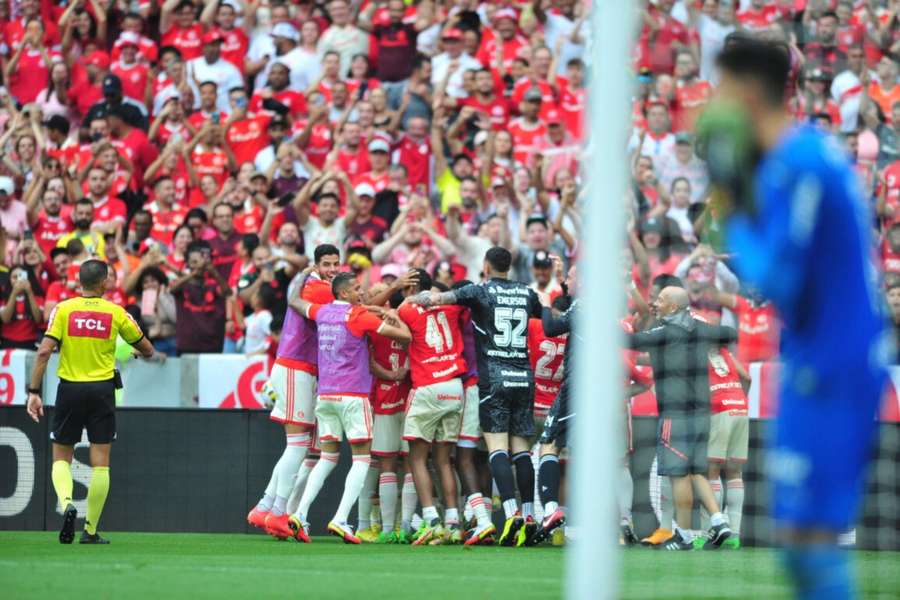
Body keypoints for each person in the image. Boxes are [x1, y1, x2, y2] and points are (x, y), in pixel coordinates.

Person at [699, 38, 888, 597]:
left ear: (750, 92)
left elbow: (781, 279)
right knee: (801, 544)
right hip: (818, 361)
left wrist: (733, 210)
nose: (714, 100)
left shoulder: (799, 163)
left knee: (809, 541)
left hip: (834, 368)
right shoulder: (798, 155)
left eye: (723, 87)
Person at [408, 246, 543, 546]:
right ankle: (530, 515)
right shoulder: (528, 293)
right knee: (520, 450)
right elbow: (544, 318)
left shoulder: (479, 291)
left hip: (494, 377)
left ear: (485, 265)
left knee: (497, 448)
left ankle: (511, 516)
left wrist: (412, 297)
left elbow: (435, 298)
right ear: (510, 266)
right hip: (524, 376)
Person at [25, 260, 155, 544]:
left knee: (61, 457)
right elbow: (148, 349)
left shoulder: (63, 309)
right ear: (105, 283)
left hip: (69, 389)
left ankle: (68, 503)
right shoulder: (116, 312)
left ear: (79, 281)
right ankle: (91, 530)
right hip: (102, 392)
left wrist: (33, 391)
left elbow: (45, 352)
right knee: (101, 464)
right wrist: (134, 352)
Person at [287, 272, 412, 544]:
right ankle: (341, 519)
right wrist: (390, 315)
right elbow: (405, 336)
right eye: (356, 289)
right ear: (343, 293)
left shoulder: (322, 313)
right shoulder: (358, 316)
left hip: (326, 396)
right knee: (362, 460)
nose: (361, 292)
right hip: (353, 396)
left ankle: (299, 513)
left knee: (327, 458)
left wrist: (303, 275)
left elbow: (294, 301)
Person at [624, 286, 735, 551]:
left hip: (675, 415)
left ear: (673, 307)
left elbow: (630, 341)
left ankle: (683, 535)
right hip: (702, 415)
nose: (654, 303)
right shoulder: (698, 329)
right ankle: (720, 522)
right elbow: (729, 334)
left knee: (678, 476)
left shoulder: (665, 333)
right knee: (697, 472)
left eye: (660, 300)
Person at [247, 243, 340, 540]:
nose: (333, 269)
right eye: (327, 264)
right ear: (315, 266)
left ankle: (269, 508)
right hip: (295, 367)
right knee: (298, 445)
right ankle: (276, 512)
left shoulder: (308, 284)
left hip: (303, 369)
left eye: (336, 263)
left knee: (302, 447)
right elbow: (351, 305)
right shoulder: (319, 289)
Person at [397, 269, 467, 545]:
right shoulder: (451, 307)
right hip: (454, 385)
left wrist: (405, 297)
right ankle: (453, 520)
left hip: (427, 386)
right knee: (443, 460)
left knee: (416, 458)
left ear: (411, 287)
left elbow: (389, 312)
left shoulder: (408, 310)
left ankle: (432, 520)